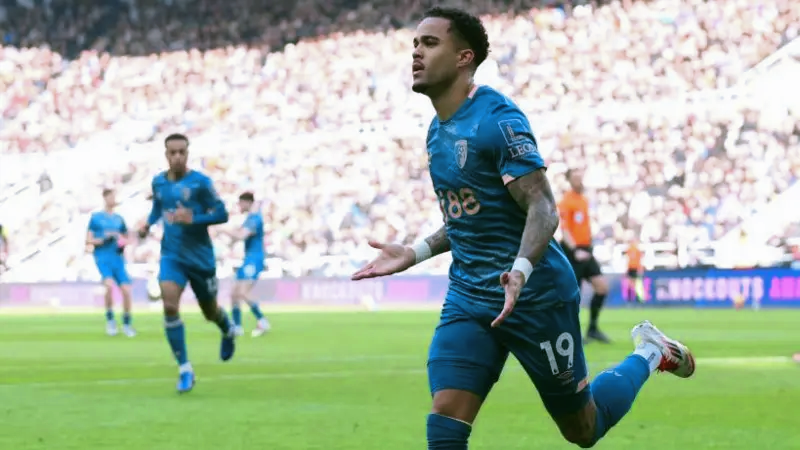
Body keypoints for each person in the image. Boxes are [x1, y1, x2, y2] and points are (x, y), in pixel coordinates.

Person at [351, 7, 696, 449]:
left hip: (536, 297)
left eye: (430, 43)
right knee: (446, 414)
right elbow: (469, 219)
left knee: (583, 429)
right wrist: (415, 251)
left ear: (464, 57)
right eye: (415, 44)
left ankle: (650, 352)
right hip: (470, 296)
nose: (416, 52)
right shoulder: (437, 131)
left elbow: (543, 208)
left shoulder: (498, 120)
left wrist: (519, 271)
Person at [137, 133, 236, 394]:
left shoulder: (201, 183)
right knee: (170, 305)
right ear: (166, 155)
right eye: (173, 152)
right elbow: (158, 208)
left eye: (182, 152)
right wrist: (148, 224)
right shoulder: (158, 182)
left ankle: (227, 329)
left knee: (209, 312)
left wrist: (195, 219)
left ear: (188, 153)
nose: (178, 157)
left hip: (200, 259)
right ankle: (184, 368)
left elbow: (222, 214)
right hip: (172, 255)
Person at [558, 169, 611, 343]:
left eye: (581, 178)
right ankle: (573, 333)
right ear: (570, 181)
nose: (580, 181)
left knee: (602, 287)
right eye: (576, 178)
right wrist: (575, 250)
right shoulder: (566, 201)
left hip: (586, 249)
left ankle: (593, 329)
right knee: (574, 295)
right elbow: (565, 230)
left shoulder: (583, 200)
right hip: (573, 251)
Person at [86, 189, 135, 337]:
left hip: (117, 258)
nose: (114, 199)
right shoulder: (96, 218)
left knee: (126, 290)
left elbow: (127, 238)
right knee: (108, 285)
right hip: (103, 257)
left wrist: (122, 242)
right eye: (111, 196)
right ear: (105, 198)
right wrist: (102, 240)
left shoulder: (119, 219)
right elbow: (88, 240)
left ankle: (127, 323)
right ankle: (111, 321)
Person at [227, 192, 270, 337]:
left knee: (243, 292)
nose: (239, 206)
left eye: (240, 203)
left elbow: (241, 235)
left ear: (247, 202)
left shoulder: (255, 218)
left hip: (254, 259)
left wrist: (222, 229)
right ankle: (237, 327)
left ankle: (262, 320)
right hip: (248, 259)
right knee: (234, 293)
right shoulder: (250, 218)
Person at [625, 236, 644, 304]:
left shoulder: (633, 250)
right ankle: (636, 299)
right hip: (633, 268)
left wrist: (640, 268)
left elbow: (637, 260)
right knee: (634, 283)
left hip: (634, 268)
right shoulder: (632, 249)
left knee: (633, 283)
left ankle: (634, 299)